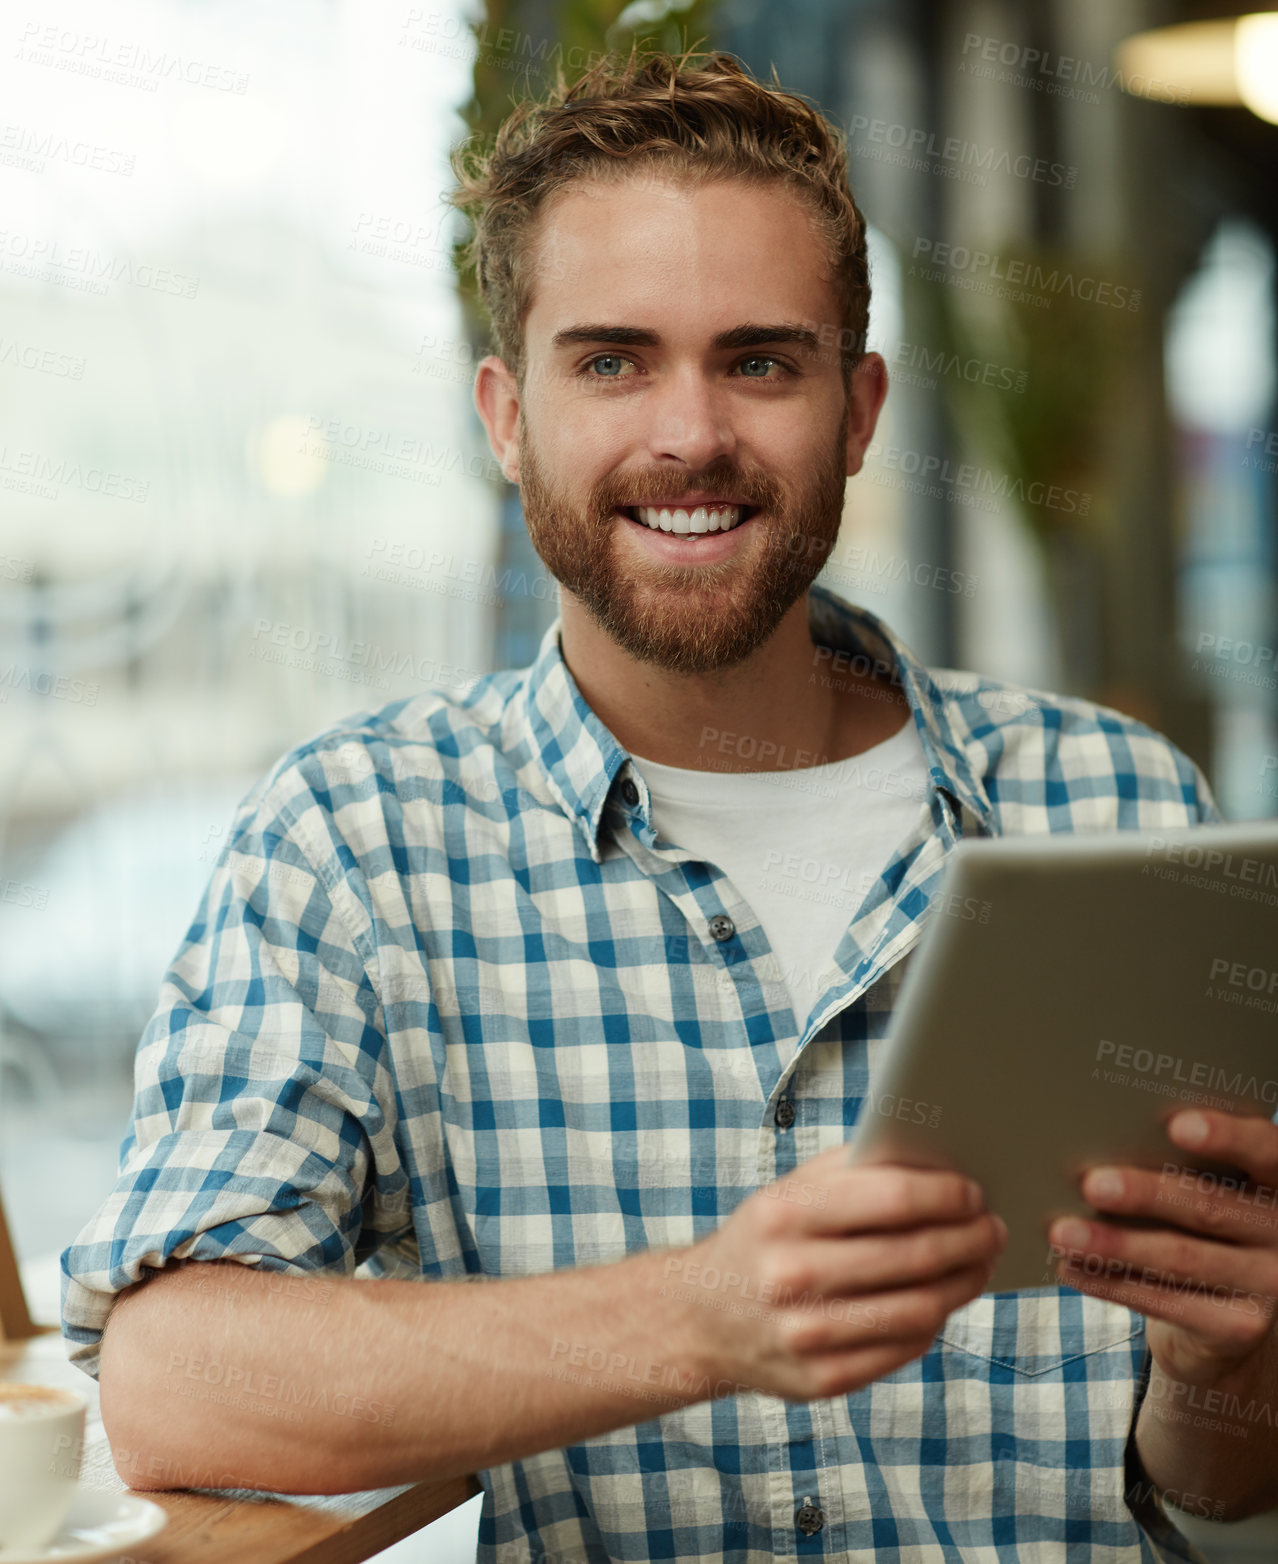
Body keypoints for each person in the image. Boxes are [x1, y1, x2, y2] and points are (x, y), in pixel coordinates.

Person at [62, 46, 1278, 1564]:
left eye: (760, 360)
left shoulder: (1116, 800)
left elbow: (1216, 1487)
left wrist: (1226, 1367)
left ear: (856, 408)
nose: (688, 434)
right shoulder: (360, 836)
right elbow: (174, 1391)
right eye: (612, 359)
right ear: (506, 417)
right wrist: (694, 1317)